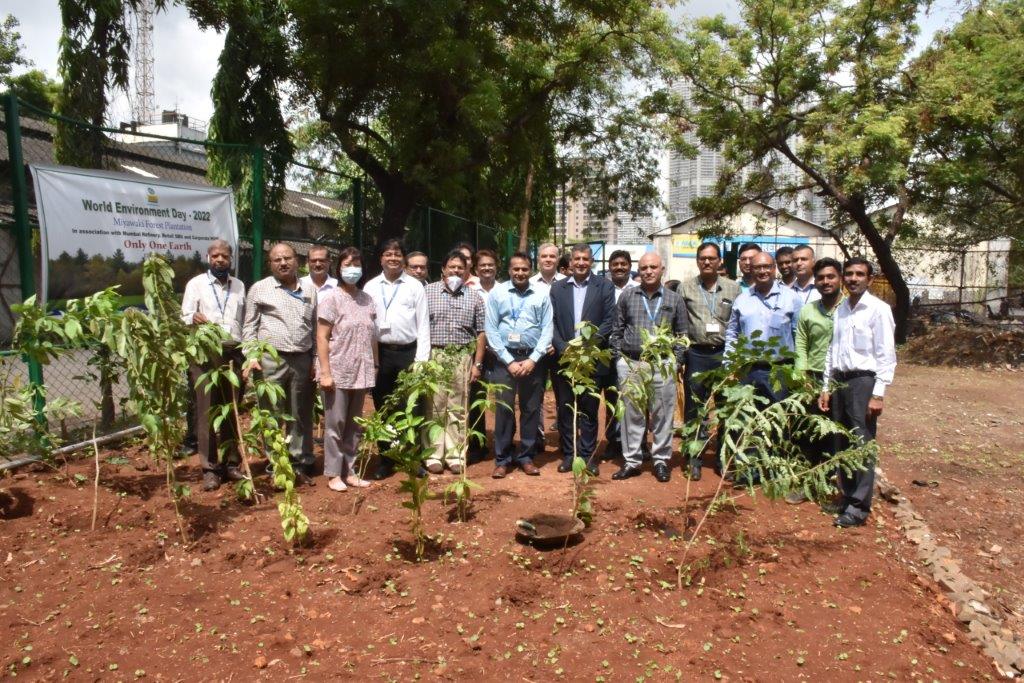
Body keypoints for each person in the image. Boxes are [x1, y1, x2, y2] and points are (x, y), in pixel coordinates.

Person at [819, 258, 896, 528]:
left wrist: (878, 393)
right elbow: (832, 350)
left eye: (859, 274)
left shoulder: (878, 309)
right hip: (839, 380)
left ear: (870, 279)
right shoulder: (841, 309)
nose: (853, 279)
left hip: (863, 382)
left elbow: (886, 354)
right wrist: (826, 387)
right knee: (841, 441)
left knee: (861, 443)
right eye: (849, 274)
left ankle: (858, 507)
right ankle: (847, 496)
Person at [724, 251, 803, 483]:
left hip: (779, 370)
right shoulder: (742, 300)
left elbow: (799, 335)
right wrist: (730, 365)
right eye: (757, 267)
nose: (762, 271)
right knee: (747, 421)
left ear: (775, 268)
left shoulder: (791, 298)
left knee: (778, 421)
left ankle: (775, 470)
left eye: (767, 266)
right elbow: (732, 333)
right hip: (748, 370)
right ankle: (748, 471)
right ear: (750, 269)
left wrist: (798, 370)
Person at [242, 243, 317, 485]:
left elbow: (315, 327)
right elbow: (250, 327)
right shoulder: (260, 289)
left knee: (300, 413)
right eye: (277, 260)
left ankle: (298, 464)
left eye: (287, 258)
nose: (283, 263)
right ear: (270, 264)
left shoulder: (310, 289)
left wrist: (316, 359)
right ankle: (276, 464)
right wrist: (251, 356)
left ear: (297, 260)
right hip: (270, 361)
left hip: (303, 360)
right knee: (272, 413)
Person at [610, 253, 688, 482]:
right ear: (638, 270)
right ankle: (632, 460)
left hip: (662, 364)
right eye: (644, 267)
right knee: (631, 414)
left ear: (662, 269)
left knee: (663, 415)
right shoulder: (627, 295)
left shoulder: (674, 299)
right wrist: (619, 359)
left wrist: (676, 363)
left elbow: (682, 335)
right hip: (632, 363)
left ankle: (661, 460)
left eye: (653, 267)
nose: (648, 271)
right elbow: (617, 329)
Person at [181, 239, 247, 491]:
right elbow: (184, 315)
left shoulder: (239, 286)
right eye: (216, 256)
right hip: (205, 354)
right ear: (208, 258)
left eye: (225, 256)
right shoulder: (196, 284)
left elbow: (244, 320)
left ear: (231, 259)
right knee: (207, 410)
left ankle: (231, 463)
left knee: (230, 408)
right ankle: (210, 469)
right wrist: (192, 317)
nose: (220, 260)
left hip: (234, 352)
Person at [366, 239, 431, 479]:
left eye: (397, 254)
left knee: (413, 407)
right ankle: (387, 459)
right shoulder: (371, 287)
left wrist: (421, 360)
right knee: (384, 407)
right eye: (387, 254)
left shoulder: (415, 286)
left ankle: (414, 459)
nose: (392, 258)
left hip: (409, 353)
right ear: (380, 258)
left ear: (403, 259)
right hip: (381, 354)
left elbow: (423, 324)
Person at [550, 243, 616, 475]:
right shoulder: (558, 289)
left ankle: (588, 457)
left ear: (591, 262)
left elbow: (609, 320)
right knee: (566, 409)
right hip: (565, 359)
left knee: (589, 410)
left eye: (585, 259)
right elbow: (552, 321)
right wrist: (562, 347)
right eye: (576, 259)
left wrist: (587, 346)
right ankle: (570, 455)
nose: (580, 263)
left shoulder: (604, 286)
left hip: (592, 359)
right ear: (570, 262)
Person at [484, 252, 552, 478]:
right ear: (509, 270)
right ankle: (502, 459)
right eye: (516, 269)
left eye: (524, 269)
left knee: (531, 409)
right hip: (505, 361)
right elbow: (491, 330)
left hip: (534, 360)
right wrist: (509, 361)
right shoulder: (498, 293)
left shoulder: (541, 295)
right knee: (504, 410)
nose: (520, 273)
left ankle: (526, 456)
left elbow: (547, 329)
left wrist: (533, 359)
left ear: (530, 270)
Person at [316, 247, 377, 492]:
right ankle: (333, 473)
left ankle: (350, 471)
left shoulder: (367, 299)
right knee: (335, 423)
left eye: (357, 263)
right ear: (339, 268)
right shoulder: (331, 298)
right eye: (347, 263)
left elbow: (372, 335)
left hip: (361, 370)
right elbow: (322, 337)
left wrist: (375, 364)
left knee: (354, 424)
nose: (353, 268)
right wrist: (325, 372)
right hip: (338, 370)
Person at [678, 242, 740, 480]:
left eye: (711, 258)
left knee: (725, 408)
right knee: (695, 410)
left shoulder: (733, 289)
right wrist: (681, 357)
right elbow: (680, 325)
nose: (706, 262)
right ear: (697, 261)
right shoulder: (685, 289)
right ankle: (694, 457)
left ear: (719, 261)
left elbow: (738, 324)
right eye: (702, 258)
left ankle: (723, 458)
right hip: (696, 354)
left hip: (724, 354)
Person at [423, 250, 486, 473]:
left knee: (459, 406)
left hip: (462, 356)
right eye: (452, 267)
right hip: (436, 355)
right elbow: (421, 326)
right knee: (435, 405)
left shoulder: (474, 297)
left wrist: (477, 363)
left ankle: (456, 454)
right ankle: (434, 454)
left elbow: (480, 332)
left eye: (460, 267)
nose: (456, 271)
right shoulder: (428, 292)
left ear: (467, 271)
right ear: (443, 269)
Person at [789, 257, 844, 504]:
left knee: (838, 432)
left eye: (830, 277)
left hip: (841, 379)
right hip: (812, 377)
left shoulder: (848, 308)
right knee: (810, 433)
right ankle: (807, 482)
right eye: (821, 278)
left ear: (839, 278)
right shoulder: (808, 311)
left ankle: (833, 484)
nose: (825, 282)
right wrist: (800, 376)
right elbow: (801, 344)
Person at [602, 250, 639, 461]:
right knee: (613, 398)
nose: (619, 267)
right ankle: (613, 442)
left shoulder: (638, 289)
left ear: (629, 265)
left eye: (623, 264)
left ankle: (637, 443)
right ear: (609, 267)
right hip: (606, 352)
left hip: (630, 354)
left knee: (635, 399)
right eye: (615, 264)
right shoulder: (604, 288)